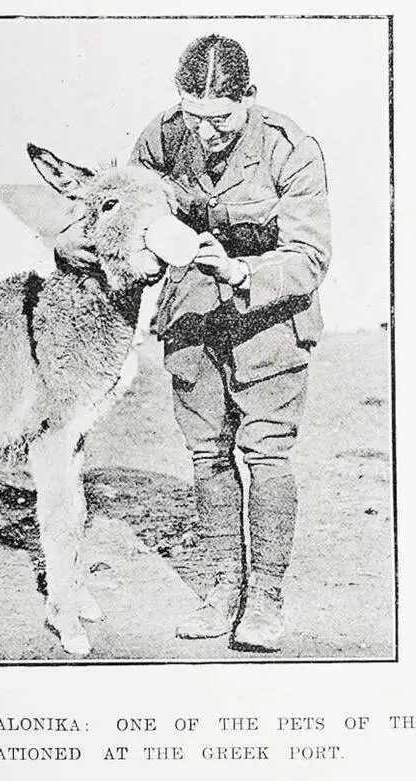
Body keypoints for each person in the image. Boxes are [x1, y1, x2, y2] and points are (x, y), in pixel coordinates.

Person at [55, 34, 331, 651]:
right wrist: (70, 244)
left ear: (249, 98)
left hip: (269, 318)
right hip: (192, 317)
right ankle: (220, 591)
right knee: (207, 457)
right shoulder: (159, 136)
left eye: (222, 118)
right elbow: (114, 212)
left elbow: (310, 258)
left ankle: (264, 601)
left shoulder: (292, 150)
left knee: (265, 455)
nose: (205, 132)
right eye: (193, 116)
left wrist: (239, 271)